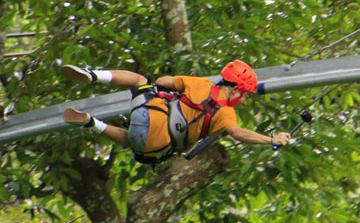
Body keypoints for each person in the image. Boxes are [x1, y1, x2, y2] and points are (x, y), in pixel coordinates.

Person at [61, 60, 291, 163]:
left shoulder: (200, 83)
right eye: (246, 94)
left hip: (147, 115)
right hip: (154, 147)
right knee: (135, 143)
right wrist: (271, 138)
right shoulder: (226, 114)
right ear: (237, 89)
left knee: (140, 80)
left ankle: (94, 75)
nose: (245, 100)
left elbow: (163, 81)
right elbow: (239, 134)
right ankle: (91, 123)